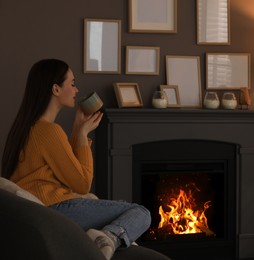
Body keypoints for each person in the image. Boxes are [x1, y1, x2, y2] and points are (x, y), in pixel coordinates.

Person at [1, 59, 151, 259]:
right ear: (55, 89)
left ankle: (106, 236)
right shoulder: (49, 131)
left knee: (131, 211)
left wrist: (77, 132)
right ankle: (109, 238)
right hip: (57, 209)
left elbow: (66, 169)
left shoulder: (30, 128)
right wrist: (82, 136)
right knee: (140, 212)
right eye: (71, 84)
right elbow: (82, 184)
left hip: (45, 210)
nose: (76, 90)